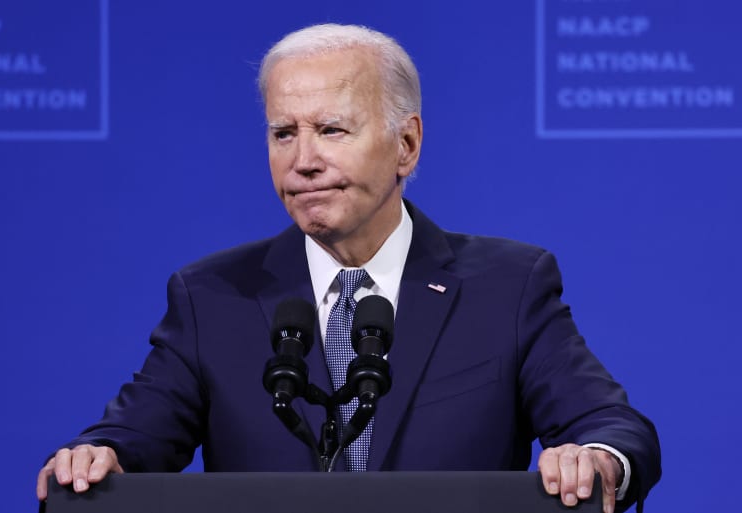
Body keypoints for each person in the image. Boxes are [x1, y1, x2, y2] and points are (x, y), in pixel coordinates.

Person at [36, 23, 660, 513]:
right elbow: (131, 436)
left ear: (406, 145)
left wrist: (596, 458)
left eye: (332, 130)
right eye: (283, 133)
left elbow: (610, 427)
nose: (302, 159)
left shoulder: (507, 286)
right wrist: (99, 456)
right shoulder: (212, 296)